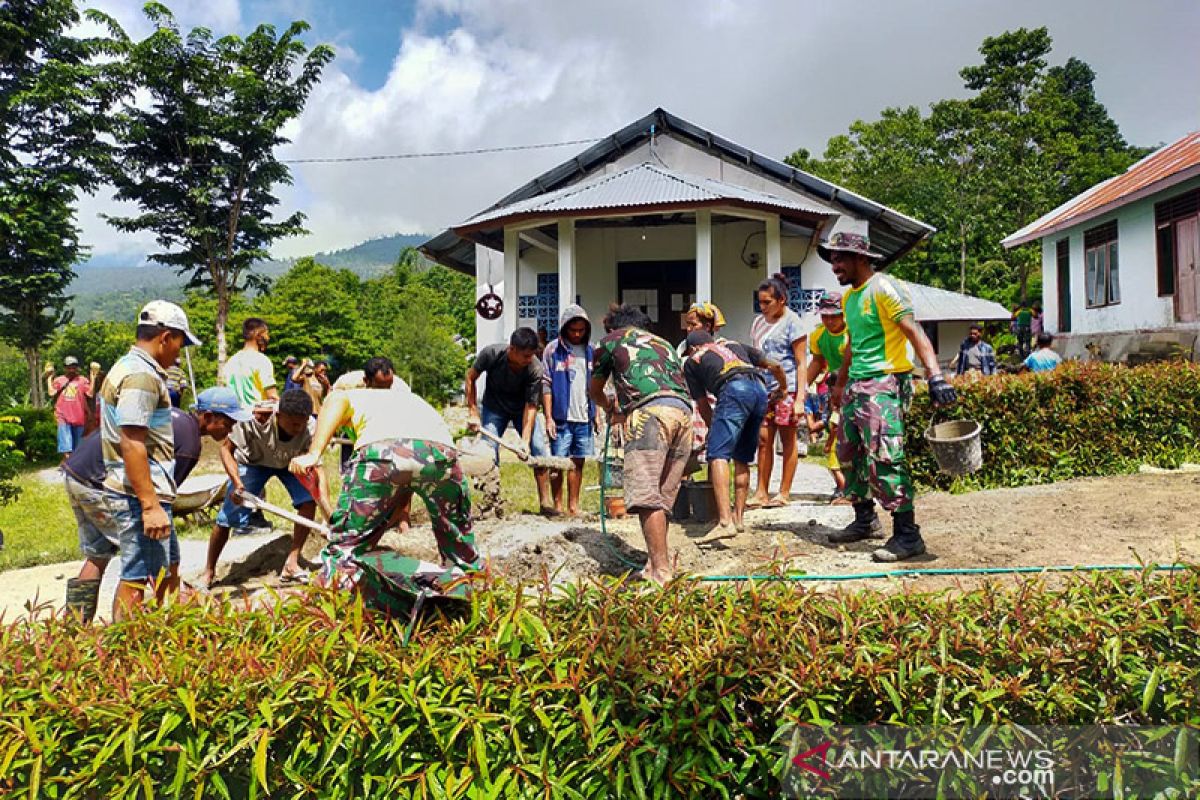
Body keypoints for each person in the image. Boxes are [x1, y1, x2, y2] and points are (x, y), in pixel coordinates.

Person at [820, 231, 957, 562]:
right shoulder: (850, 299)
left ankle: (908, 534)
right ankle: (865, 520)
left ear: (861, 258)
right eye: (833, 259)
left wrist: (935, 376)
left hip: (884, 382)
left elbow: (914, 330)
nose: (835, 265)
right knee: (848, 452)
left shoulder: (885, 288)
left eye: (840, 258)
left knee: (885, 455)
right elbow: (853, 344)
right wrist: (840, 384)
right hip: (857, 385)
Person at [288, 384, 481, 614]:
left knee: (344, 550)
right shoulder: (409, 399)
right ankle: (465, 601)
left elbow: (335, 400)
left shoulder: (352, 394)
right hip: (441, 454)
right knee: (458, 543)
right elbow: (405, 483)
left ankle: (335, 612)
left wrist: (314, 452)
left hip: (383, 453)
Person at [62, 387, 247, 622]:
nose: (231, 428)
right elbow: (161, 498)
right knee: (144, 558)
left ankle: (73, 629)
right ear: (208, 417)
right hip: (101, 485)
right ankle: (128, 632)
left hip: (78, 474)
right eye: (228, 421)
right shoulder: (189, 445)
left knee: (98, 555)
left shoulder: (174, 418)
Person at [95, 300, 202, 619]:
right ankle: (127, 648)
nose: (179, 352)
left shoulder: (133, 368)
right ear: (166, 337)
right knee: (138, 576)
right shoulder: (141, 376)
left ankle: (162, 633)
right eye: (180, 343)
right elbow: (131, 442)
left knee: (166, 567)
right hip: (136, 495)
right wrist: (150, 506)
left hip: (147, 491)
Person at [589, 304, 693, 585]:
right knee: (662, 497)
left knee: (646, 496)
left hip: (651, 415)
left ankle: (661, 571)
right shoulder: (665, 343)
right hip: (684, 414)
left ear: (613, 327)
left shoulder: (611, 341)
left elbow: (594, 389)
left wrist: (609, 406)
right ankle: (652, 564)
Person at [198, 389, 317, 588]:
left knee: (308, 502)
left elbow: (317, 467)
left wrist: (326, 508)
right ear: (278, 416)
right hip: (253, 462)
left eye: (302, 423)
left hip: (290, 464)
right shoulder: (252, 420)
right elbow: (226, 450)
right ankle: (209, 571)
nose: (299, 428)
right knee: (226, 518)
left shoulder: (311, 427)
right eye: (293, 423)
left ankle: (292, 562)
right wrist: (237, 483)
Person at [683, 330, 786, 534]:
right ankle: (738, 519)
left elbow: (703, 405)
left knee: (717, 455)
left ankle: (724, 522)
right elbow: (776, 365)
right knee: (742, 457)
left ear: (692, 348)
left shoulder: (692, 360)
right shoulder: (735, 343)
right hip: (759, 390)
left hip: (733, 388)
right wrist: (783, 388)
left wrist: (715, 433)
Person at [465, 327, 554, 514]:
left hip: (520, 409)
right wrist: (473, 411)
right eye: (525, 355)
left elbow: (531, 406)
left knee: (538, 449)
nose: (529, 359)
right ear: (512, 349)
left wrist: (525, 442)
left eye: (531, 355)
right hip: (494, 408)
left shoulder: (535, 368)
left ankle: (546, 502)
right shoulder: (491, 354)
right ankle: (491, 502)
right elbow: (470, 377)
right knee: (489, 451)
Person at [748, 273, 810, 509]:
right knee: (764, 440)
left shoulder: (794, 323)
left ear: (781, 300)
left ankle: (784, 492)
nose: (762, 307)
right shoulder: (758, 323)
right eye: (760, 302)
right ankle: (761, 491)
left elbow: (802, 362)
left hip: (788, 389)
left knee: (787, 439)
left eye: (767, 302)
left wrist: (800, 399)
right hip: (764, 389)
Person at [541, 305, 597, 517]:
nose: (576, 334)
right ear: (564, 329)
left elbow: (595, 385)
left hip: (584, 416)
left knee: (578, 461)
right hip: (560, 417)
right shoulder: (552, 350)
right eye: (573, 330)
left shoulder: (591, 351)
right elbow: (546, 384)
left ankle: (573, 506)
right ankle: (557, 506)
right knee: (558, 462)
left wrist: (596, 415)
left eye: (581, 330)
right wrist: (548, 417)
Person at [805, 292, 850, 501]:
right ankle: (845, 487)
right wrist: (801, 387)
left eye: (835, 315)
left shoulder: (852, 333)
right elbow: (817, 362)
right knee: (838, 435)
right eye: (825, 316)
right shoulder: (818, 336)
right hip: (836, 391)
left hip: (856, 385)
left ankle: (855, 488)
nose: (830, 321)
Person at [45, 356, 96, 461]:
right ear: (65, 368)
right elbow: (51, 393)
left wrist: (93, 377)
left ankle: (73, 466)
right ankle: (69, 465)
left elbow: (90, 394)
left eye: (74, 367)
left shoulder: (83, 380)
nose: (71, 369)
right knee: (66, 447)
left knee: (78, 448)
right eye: (69, 367)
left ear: (77, 368)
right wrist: (49, 378)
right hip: (63, 416)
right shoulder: (59, 380)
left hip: (79, 417)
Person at [224, 317, 278, 410]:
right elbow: (272, 397)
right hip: (256, 418)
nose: (268, 338)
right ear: (258, 335)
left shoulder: (231, 362)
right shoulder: (261, 361)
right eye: (266, 334)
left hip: (235, 418)